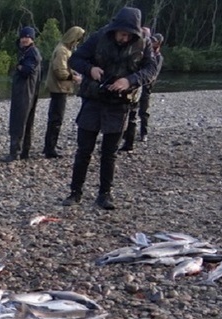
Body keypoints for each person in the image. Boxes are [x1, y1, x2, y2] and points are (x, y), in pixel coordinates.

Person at [61, 7, 158, 210]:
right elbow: (75, 59)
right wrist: (90, 69)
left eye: (129, 35)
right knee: (83, 150)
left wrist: (130, 80)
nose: (125, 38)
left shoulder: (144, 43)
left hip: (120, 103)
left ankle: (105, 195)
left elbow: (151, 69)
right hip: (93, 99)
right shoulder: (99, 36)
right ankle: (75, 193)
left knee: (109, 152)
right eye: (122, 34)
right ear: (115, 29)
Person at [42, 26, 86, 158]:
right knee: (56, 119)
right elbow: (59, 72)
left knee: (55, 118)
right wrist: (74, 77)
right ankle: (50, 148)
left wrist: (72, 72)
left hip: (61, 88)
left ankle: (50, 145)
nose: (78, 42)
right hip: (59, 88)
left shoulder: (65, 49)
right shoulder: (62, 50)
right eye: (78, 39)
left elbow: (64, 68)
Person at [120, 31, 164, 150]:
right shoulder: (143, 53)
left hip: (147, 88)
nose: (152, 42)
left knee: (143, 111)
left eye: (154, 41)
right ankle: (126, 136)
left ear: (158, 43)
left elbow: (153, 73)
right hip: (138, 86)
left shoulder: (158, 57)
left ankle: (143, 133)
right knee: (130, 112)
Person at [6, 27, 42, 161]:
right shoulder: (27, 51)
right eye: (22, 37)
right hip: (28, 91)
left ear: (32, 38)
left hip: (25, 91)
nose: (24, 39)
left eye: (27, 37)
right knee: (27, 121)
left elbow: (27, 70)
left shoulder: (31, 52)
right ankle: (24, 152)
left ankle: (14, 153)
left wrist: (18, 67)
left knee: (18, 121)